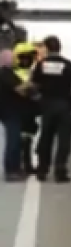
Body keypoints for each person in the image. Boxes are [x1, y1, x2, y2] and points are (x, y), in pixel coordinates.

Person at [30, 35, 71, 183]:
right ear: (59, 48)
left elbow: (33, 86)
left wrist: (37, 98)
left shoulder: (41, 65)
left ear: (47, 48)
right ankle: (60, 171)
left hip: (47, 105)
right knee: (64, 139)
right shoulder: (69, 65)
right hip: (64, 105)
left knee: (46, 137)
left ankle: (42, 169)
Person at [0, 48, 29, 182]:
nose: (14, 60)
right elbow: (19, 89)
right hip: (10, 111)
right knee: (13, 141)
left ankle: (15, 168)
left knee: (15, 140)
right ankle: (11, 170)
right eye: (12, 58)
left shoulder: (8, 73)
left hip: (9, 110)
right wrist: (30, 84)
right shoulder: (5, 74)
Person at [13, 42, 41, 175]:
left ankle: (27, 165)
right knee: (20, 140)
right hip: (18, 111)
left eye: (30, 56)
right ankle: (20, 166)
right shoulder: (15, 73)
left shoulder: (32, 71)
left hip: (30, 111)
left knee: (28, 139)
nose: (28, 60)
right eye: (25, 57)